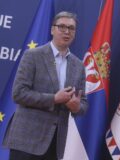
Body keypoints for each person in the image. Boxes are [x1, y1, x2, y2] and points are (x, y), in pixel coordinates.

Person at [3, 11, 88, 160]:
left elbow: (83, 104)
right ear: (52, 30)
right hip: (26, 140)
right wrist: (54, 98)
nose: (66, 31)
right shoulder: (33, 56)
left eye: (71, 28)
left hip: (55, 144)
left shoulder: (79, 65)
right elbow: (19, 93)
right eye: (62, 27)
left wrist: (76, 107)